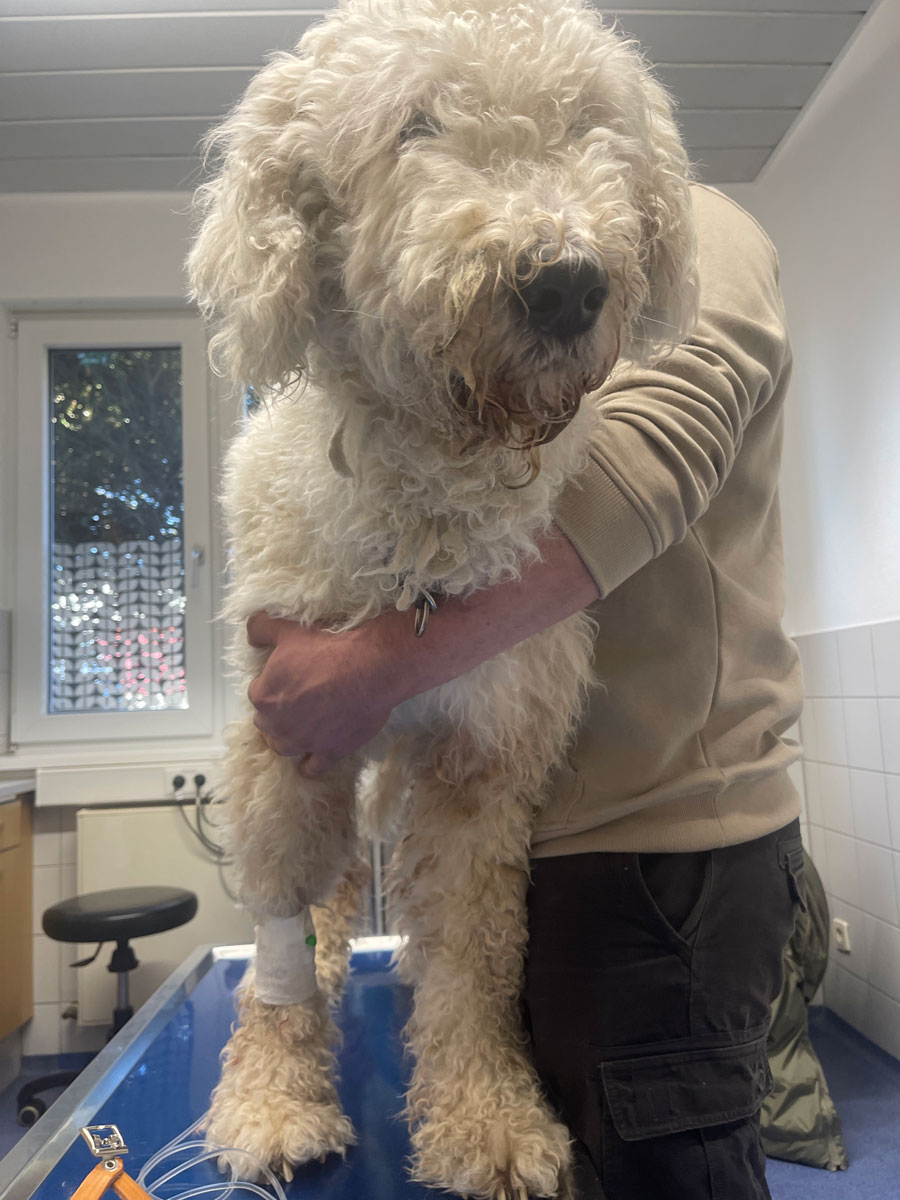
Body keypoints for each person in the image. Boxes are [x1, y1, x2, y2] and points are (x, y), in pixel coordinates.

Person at [244, 183, 805, 1200]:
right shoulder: (456, 259)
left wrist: (370, 669)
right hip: (525, 845)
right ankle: (283, 1037)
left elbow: (660, 446)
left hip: (655, 850)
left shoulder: (694, 224)